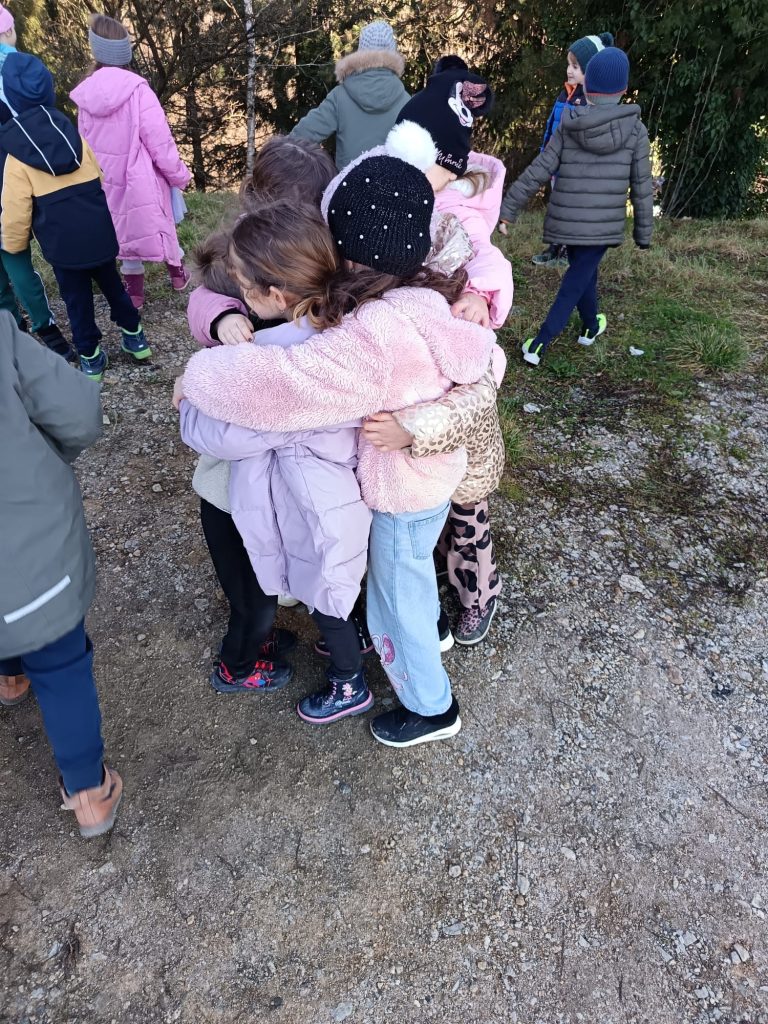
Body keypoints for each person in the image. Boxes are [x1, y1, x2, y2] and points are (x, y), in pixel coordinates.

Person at [176, 153, 496, 747]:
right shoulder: (424, 297)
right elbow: (486, 359)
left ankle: (431, 708)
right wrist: (426, 424)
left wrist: (197, 377)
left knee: (395, 600)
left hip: (400, 488)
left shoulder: (367, 338)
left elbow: (285, 387)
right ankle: (432, 631)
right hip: (433, 478)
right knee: (410, 579)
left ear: (348, 250)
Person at [179, 206, 372, 716]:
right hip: (334, 495)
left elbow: (220, 435)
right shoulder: (353, 332)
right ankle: (344, 658)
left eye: (245, 288)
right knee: (330, 587)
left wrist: (187, 397)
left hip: (303, 504)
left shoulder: (272, 365)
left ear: (278, 296)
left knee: (314, 590)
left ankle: (341, 683)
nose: (240, 297)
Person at [378, 65, 512, 645]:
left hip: (458, 367)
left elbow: (490, 263)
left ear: (448, 166)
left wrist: (481, 297)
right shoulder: (403, 193)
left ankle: (479, 589)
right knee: (425, 484)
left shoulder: (460, 211)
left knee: (465, 500)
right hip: (418, 360)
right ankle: (435, 569)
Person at [0, 312, 122, 838]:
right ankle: (89, 794)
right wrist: (46, 459)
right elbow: (77, 413)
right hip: (24, 539)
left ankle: (10, 677)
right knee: (60, 664)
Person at [0, 52, 151, 380]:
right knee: (114, 288)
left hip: (62, 245)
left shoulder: (16, 156)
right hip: (99, 234)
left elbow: (15, 213)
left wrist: (12, 245)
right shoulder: (73, 135)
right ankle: (136, 338)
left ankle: (90, 357)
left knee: (77, 300)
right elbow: (99, 176)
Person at [499, 46, 653, 366]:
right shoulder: (636, 132)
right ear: (624, 89)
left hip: (567, 221)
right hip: (603, 226)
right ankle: (541, 341)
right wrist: (643, 231)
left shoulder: (568, 124)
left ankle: (590, 325)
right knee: (576, 279)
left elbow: (540, 169)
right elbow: (641, 185)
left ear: (587, 85)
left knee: (584, 272)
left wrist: (509, 207)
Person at [70, 13, 191, 312]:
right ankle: (177, 274)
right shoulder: (138, 90)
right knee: (161, 220)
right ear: (124, 52)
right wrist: (178, 175)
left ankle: (134, 292)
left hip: (105, 176)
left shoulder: (85, 95)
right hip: (142, 175)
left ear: (96, 50)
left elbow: (83, 142)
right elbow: (159, 141)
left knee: (122, 227)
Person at [0, 3, 73, 359]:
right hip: (13, 173)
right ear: (9, 31)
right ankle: (47, 329)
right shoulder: (20, 69)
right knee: (16, 255)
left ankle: (11, 328)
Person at [532, 33, 612, 269]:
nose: (569, 70)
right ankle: (554, 247)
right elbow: (552, 126)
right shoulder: (565, 94)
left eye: (576, 66)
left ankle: (571, 250)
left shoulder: (593, 101)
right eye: (569, 64)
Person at [290, 20, 409, 170]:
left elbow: (303, 135)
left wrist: (276, 158)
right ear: (393, 54)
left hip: (348, 182)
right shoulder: (406, 100)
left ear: (361, 52)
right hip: (393, 183)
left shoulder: (340, 96)